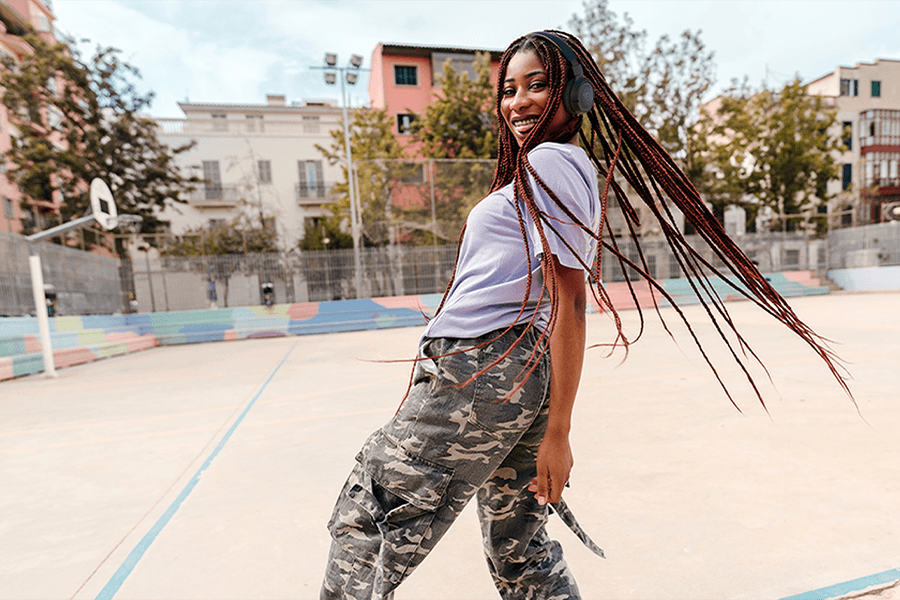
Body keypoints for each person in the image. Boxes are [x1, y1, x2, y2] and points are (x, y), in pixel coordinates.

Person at [321, 30, 850, 600]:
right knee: (519, 549)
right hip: (516, 374)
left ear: (576, 95)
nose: (518, 102)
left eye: (537, 85)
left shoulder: (550, 162)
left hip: (479, 374)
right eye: (509, 90)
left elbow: (570, 298)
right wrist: (551, 420)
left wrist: (560, 430)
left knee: (369, 521)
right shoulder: (558, 167)